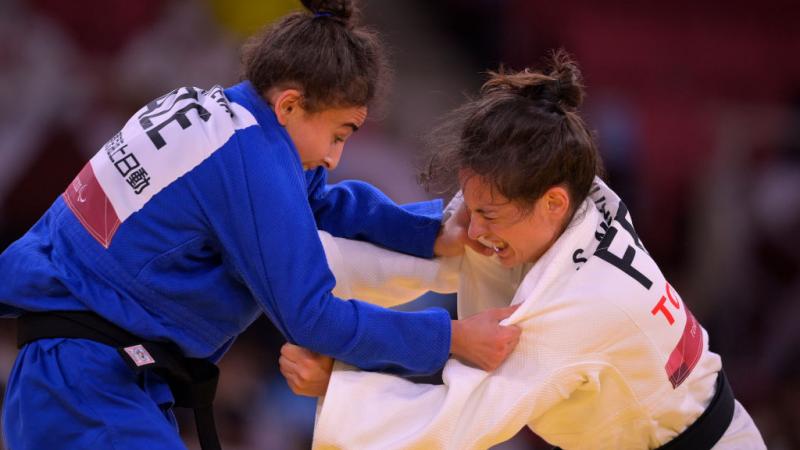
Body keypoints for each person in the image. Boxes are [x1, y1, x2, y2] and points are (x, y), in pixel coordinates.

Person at [0, 1, 522, 449]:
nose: (336, 157)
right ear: (291, 104)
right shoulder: (247, 158)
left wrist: (428, 231)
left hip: (75, 377)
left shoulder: (214, 115)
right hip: (85, 384)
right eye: (339, 134)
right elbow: (314, 319)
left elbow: (314, 199)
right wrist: (452, 338)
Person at [279, 51, 767, 449]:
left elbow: (463, 420)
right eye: (471, 206)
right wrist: (284, 266)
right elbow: (445, 252)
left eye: (487, 214)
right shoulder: (569, 193)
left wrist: (336, 389)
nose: (473, 228)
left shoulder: (580, 303)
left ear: (553, 203)